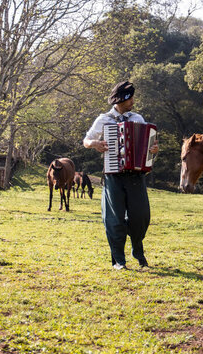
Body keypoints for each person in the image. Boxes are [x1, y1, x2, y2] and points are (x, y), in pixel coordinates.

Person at [83, 81, 159, 270]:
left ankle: (137, 249)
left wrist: (153, 150)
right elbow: (86, 140)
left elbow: (149, 146)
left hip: (136, 176)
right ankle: (118, 260)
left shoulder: (138, 118)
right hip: (113, 175)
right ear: (123, 99)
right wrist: (95, 144)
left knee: (141, 217)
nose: (133, 101)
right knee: (114, 218)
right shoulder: (104, 119)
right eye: (131, 98)